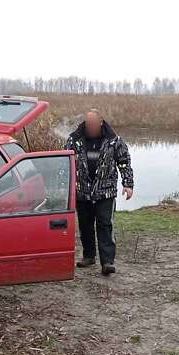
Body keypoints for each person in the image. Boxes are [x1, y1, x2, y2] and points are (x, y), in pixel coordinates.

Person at [65, 109, 134, 275]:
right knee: (85, 225)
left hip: (105, 192)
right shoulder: (74, 139)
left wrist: (128, 184)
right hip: (82, 191)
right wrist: (64, 185)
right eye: (88, 123)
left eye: (93, 123)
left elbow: (124, 162)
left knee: (105, 225)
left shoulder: (114, 141)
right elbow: (65, 161)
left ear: (101, 123)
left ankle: (107, 262)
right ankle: (89, 256)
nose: (90, 126)